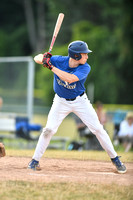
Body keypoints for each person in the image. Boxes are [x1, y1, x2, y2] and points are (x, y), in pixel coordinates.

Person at [28, 40, 126, 173]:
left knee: (98, 129)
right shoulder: (59, 60)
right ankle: (35, 160)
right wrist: (44, 58)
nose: (87, 56)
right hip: (60, 101)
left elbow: (70, 79)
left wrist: (50, 66)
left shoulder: (85, 67)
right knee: (49, 130)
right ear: (75, 56)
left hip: (80, 102)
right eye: (84, 54)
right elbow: (36, 58)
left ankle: (115, 159)